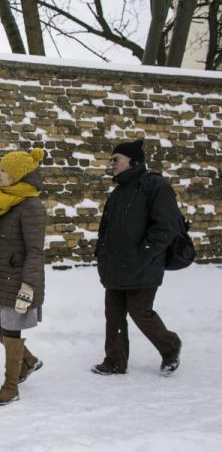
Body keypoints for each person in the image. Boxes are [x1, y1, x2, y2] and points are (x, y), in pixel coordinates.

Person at [93, 140, 182, 376]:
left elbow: (166, 226)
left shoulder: (155, 185)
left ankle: (171, 347)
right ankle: (114, 361)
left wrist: (144, 254)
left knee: (140, 312)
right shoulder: (119, 191)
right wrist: (101, 253)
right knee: (113, 315)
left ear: (132, 161)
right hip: (114, 266)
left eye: (116, 159)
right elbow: (106, 229)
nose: (111, 164)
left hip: (143, 266)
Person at [0, 148, 46, 406]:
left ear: (18, 175)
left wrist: (28, 286)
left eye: (3, 170)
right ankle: (28, 360)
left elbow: (35, 252)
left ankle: (10, 387)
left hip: (18, 280)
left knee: (11, 331)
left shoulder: (31, 206)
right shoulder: (4, 198)